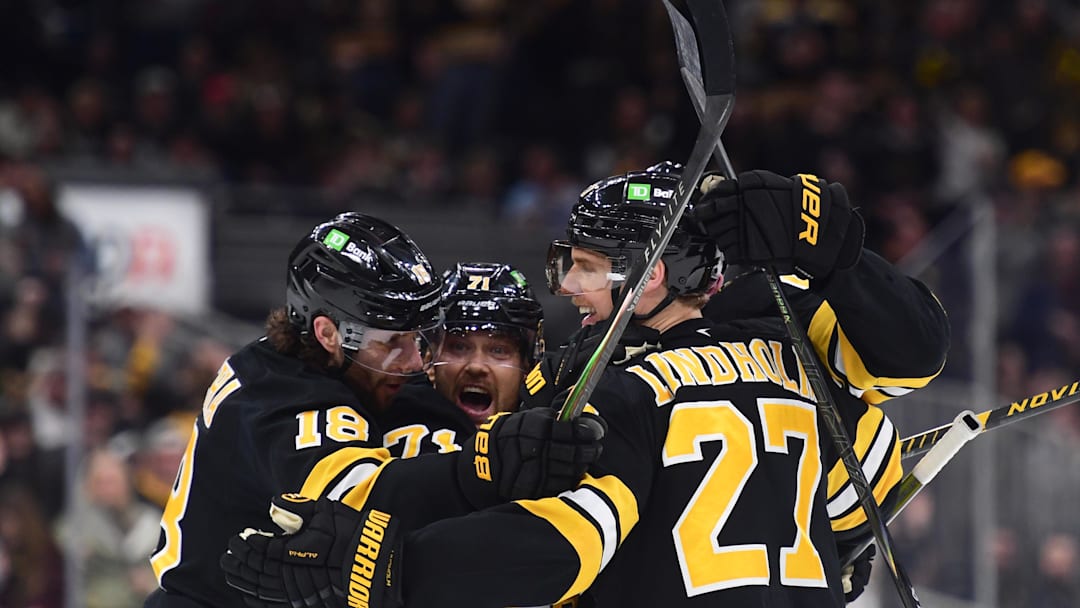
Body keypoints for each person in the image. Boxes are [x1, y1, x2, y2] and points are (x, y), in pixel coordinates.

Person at [221, 163, 908, 607]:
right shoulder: (799, 366)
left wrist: (392, 566)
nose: (571, 286)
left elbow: (566, 544)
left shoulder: (607, 391)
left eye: (583, 265)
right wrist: (833, 545)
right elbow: (868, 477)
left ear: (651, 275)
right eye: (455, 346)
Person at [144, 212, 604, 608]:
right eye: (391, 343)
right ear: (327, 334)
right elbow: (362, 501)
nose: (410, 362)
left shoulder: (371, 381)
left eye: (418, 339)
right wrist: (486, 464)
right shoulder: (271, 394)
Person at [380, 261, 544, 458]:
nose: (476, 366)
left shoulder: (549, 446)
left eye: (499, 350)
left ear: (528, 367)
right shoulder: (385, 424)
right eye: (459, 347)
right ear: (428, 360)